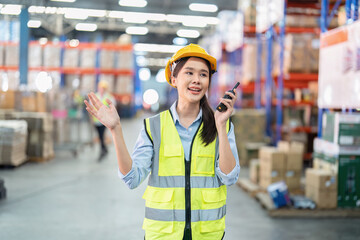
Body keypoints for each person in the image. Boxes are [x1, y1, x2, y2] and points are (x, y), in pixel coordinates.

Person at [84, 44, 240, 240]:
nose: (196, 80)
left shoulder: (221, 126)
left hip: (208, 235)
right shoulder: (153, 127)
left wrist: (221, 126)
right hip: (163, 236)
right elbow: (132, 178)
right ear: (174, 79)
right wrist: (115, 130)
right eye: (189, 73)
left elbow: (230, 177)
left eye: (203, 75)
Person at [90, 80, 116, 161]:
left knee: (101, 136)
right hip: (96, 120)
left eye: (103, 88)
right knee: (100, 136)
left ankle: (102, 151)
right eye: (101, 88)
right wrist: (91, 119)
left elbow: (113, 108)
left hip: (104, 121)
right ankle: (104, 149)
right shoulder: (95, 96)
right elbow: (91, 108)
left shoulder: (109, 97)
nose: (102, 89)